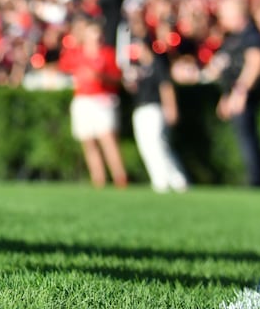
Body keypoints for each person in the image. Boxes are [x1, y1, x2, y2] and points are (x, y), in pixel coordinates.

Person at [207, 0, 260, 187]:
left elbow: (255, 63)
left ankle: (257, 180)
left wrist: (239, 92)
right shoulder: (233, 38)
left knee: (248, 138)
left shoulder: (250, 35)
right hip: (235, 95)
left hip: (246, 97)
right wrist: (227, 96)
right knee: (243, 139)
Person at [61, 15, 127, 188]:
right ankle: (98, 179)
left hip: (103, 99)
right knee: (89, 142)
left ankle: (120, 178)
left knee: (108, 140)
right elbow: (63, 69)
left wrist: (101, 77)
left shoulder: (107, 54)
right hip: (83, 100)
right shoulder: (76, 53)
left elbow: (118, 79)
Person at [124, 35, 188, 193]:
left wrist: (171, 108)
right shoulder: (136, 68)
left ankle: (177, 179)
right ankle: (159, 180)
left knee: (158, 144)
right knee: (146, 146)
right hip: (140, 109)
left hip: (155, 108)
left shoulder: (157, 64)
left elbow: (166, 86)